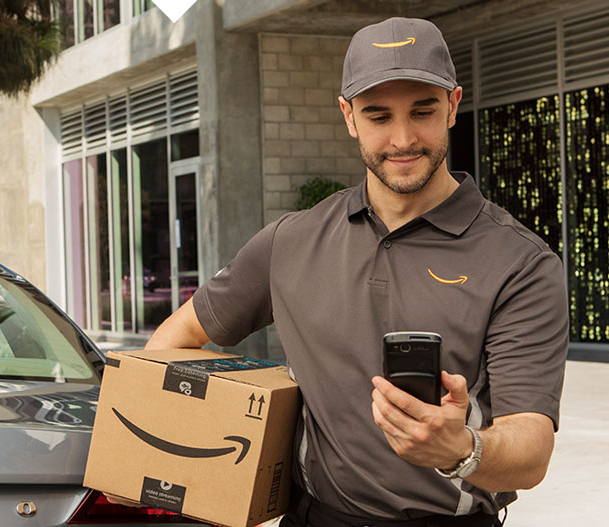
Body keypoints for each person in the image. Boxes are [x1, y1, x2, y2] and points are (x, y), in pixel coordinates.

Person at [143, 17, 569, 527]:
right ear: (348, 116)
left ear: (453, 106)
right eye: (378, 115)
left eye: (423, 111)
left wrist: (463, 449)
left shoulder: (521, 262)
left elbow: (531, 451)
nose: (403, 138)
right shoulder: (290, 241)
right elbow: (174, 340)